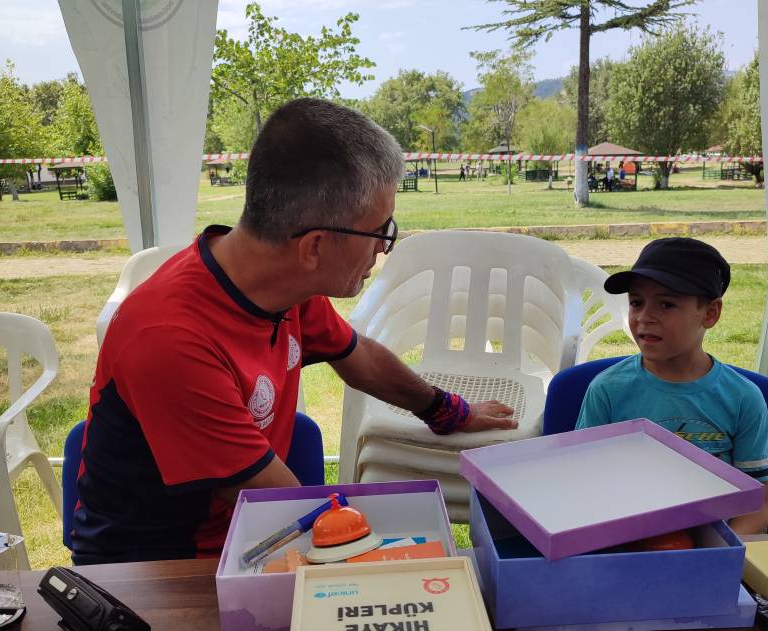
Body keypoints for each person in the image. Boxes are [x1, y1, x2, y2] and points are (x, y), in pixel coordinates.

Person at [72, 98, 517, 565]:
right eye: (382, 231)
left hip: (247, 534)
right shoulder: (170, 340)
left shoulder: (283, 285)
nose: (384, 250)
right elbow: (284, 509)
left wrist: (446, 411)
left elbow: (358, 357)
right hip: (158, 573)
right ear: (315, 247)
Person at [574, 238, 768, 535]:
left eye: (666, 304)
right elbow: (585, 485)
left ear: (710, 314)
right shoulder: (607, 391)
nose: (644, 317)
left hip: (716, 542)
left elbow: (759, 503)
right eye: (636, 302)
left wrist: (722, 552)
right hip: (626, 540)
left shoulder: (744, 398)